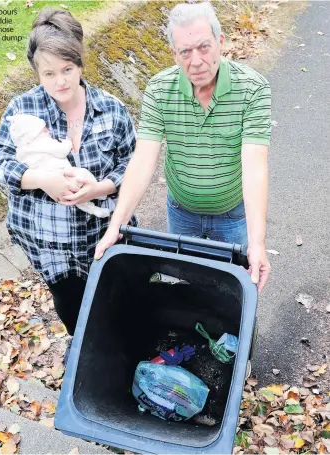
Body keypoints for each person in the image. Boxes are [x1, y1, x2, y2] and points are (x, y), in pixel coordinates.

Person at [95, 2, 271, 294]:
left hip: (232, 213)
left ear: (221, 42)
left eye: (204, 47)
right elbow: (143, 161)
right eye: (185, 52)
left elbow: (255, 166)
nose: (197, 60)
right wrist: (117, 224)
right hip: (181, 212)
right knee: (189, 284)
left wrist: (257, 243)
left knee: (233, 289)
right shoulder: (159, 89)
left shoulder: (254, 89)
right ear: (174, 54)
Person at [0, 8, 137, 336]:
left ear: (80, 63)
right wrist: (43, 181)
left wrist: (98, 188)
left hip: (104, 235)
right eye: (49, 74)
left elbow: (133, 164)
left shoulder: (111, 109)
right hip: (48, 242)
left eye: (67, 69)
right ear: (37, 72)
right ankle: (84, 348)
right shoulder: (22, 110)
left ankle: (118, 350)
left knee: (119, 301)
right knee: (71, 307)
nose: (60, 82)